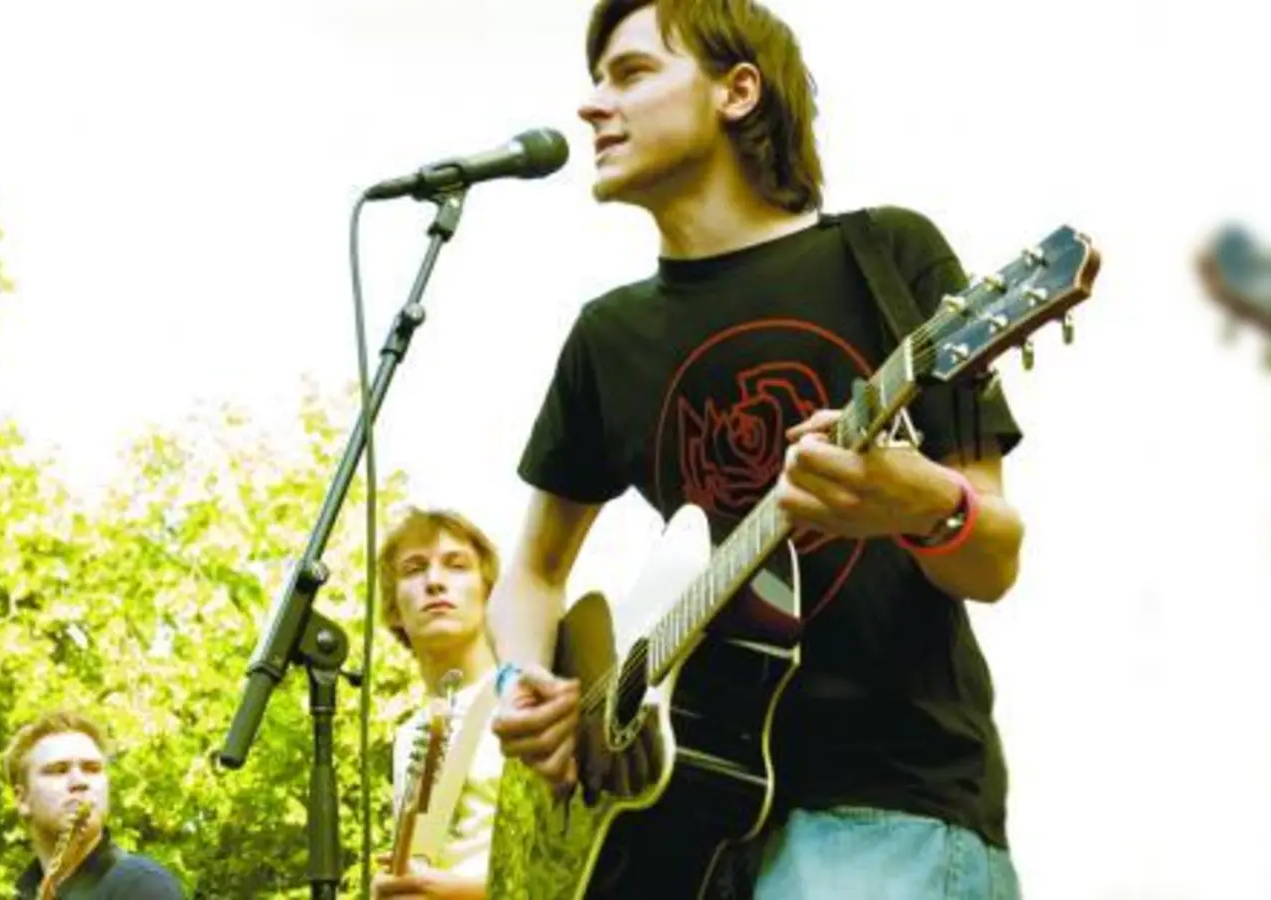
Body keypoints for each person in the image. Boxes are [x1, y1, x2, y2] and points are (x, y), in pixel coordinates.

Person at [486, 0, 1026, 896]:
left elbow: (994, 558)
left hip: (885, 809)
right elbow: (533, 573)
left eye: (631, 73)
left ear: (738, 91)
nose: (591, 105)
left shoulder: (887, 256)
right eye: (595, 80)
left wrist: (929, 507)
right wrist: (521, 680)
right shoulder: (604, 337)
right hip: (669, 834)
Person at [371, 508, 505, 900]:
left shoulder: (530, 696)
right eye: (413, 569)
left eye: (456, 565)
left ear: (489, 590)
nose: (434, 582)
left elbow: (579, 869)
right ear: (394, 607)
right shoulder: (411, 735)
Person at [3, 710, 186, 899]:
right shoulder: (18, 893)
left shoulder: (142, 886)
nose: (80, 781)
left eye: (92, 769)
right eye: (59, 770)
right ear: (22, 799)